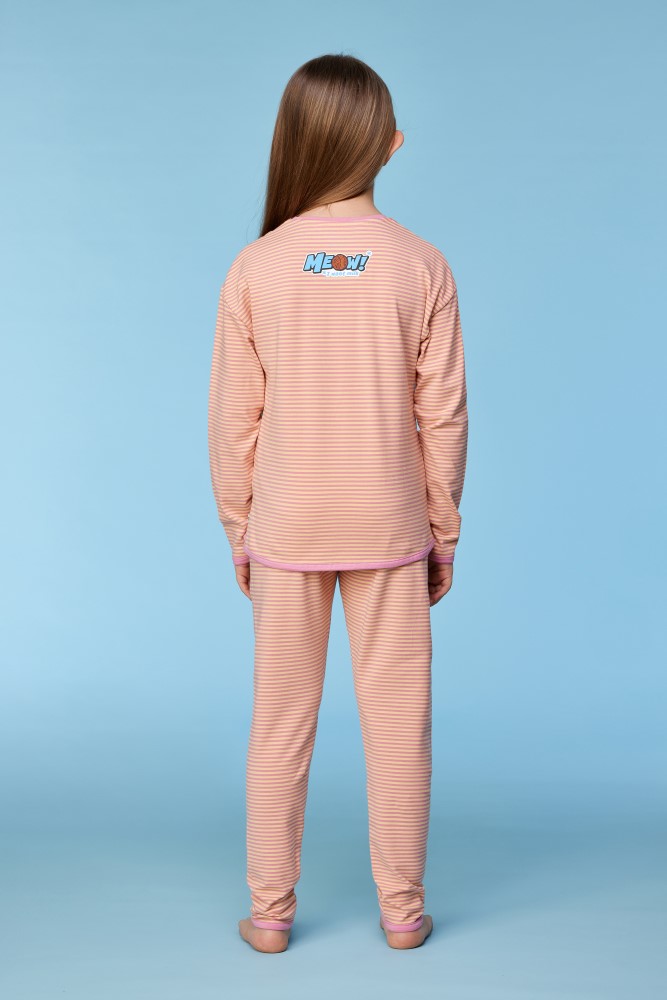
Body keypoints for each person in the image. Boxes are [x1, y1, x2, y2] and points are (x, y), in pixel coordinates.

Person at [207, 53, 469, 953]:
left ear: (293, 142)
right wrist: (442, 533)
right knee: (398, 727)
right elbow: (443, 417)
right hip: (391, 527)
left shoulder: (255, 268)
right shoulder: (421, 265)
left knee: (279, 724)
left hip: (285, 527)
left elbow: (232, 422)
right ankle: (402, 913)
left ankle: (270, 916)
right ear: (388, 146)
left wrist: (240, 532)